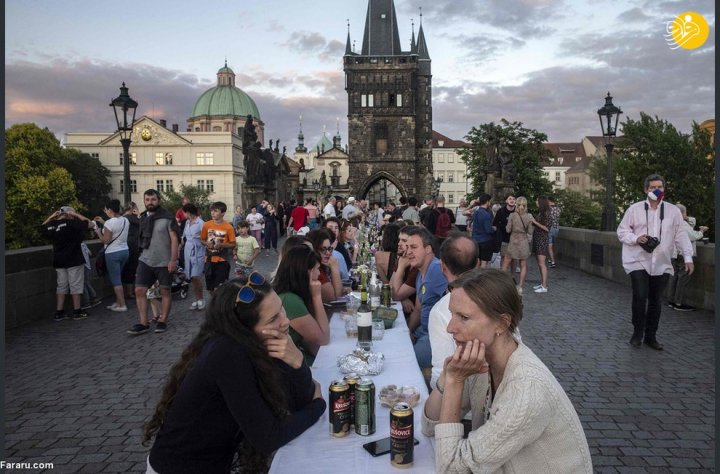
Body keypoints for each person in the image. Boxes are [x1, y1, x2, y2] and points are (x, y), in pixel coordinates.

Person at [144, 275, 326, 474]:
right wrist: (318, 407)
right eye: (273, 318)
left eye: (281, 308)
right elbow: (268, 437)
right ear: (245, 328)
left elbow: (298, 402)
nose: (285, 321)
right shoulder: (227, 353)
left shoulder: (257, 343)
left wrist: (297, 362)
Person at [422, 268, 593, 473]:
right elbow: (430, 425)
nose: (450, 327)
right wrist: (448, 377)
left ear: (502, 323)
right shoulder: (480, 363)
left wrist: (455, 382)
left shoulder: (527, 390)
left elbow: (451, 469)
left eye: (464, 317)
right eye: (452, 314)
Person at [617, 174, 693, 350]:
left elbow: (681, 235)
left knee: (655, 300)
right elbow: (621, 232)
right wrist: (637, 238)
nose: (657, 190)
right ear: (646, 189)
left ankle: (651, 336)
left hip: (661, 261)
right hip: (637, 259)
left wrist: (688, 257)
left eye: (660, 187)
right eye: (653, 187)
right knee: (640, 296)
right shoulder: (634, 209)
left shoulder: (673, 211)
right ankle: (637, 332)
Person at [428, 234, 478, 390]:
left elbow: (442, 369)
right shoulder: (495, 295)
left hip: (461, 398)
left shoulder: (441, 310)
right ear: (477, 264)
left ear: (443, 267)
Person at [127, 189, 179, 335]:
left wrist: (173, 260)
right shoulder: (143, 217)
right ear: (144, 201)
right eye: (147, 200)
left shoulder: (168, 218)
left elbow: (175, 239)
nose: (150, 202)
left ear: (159, 200)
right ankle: (143, 323)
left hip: (164, 260)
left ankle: (163, 320)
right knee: (139, 290)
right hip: (145, 259)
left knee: (165, 291)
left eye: (153, 200)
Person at [272, 245, 331, 365]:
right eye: (317, 269)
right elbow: (323, 339)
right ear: (307, 272)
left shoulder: (291, 294)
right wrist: (316, 297)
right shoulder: (289, 300)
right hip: (291, 365)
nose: (319, 273)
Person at [405, 226, 448, 373]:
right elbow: (418, 309)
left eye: (414, 247)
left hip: (435, 336)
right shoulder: (420, 273)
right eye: (407, 247)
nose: (408, 252)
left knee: (406, 359)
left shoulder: (437, 270)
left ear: (428, 249)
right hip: (422, 331)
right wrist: (408, 332)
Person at [40, 206, 93, 321]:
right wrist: (76, 214)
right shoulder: (72, 223)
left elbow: (42, 228)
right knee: (76, 286)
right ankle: (77, 311)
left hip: (59, 260)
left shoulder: (53, 225)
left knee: (61, 286)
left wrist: (51, 217)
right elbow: (90, 224)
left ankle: (59, 312)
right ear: (70, 214)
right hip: (74, 259)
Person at [667, 204, 708, 311]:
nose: (687, 215)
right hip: (683, 255)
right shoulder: (683, 224)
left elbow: (692, 222)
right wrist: (702, 231)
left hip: (673, 253)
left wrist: (684, 216)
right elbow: (694, 236)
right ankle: (679, 303)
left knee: (674, 277)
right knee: (683, 279)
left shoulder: (670, 222)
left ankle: (671, 300)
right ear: (682, 213)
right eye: (685, 212)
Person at [92, 199, 130, 311]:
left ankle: (122, 305)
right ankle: (118, 302)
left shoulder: (110, 223)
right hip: (125, 251)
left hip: (113, 253)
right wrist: (104, 222)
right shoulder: (125, 220)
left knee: (115, 280)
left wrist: (98, 231)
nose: (105, 212)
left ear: (110, 209)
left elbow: (106, 240)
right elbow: (116, 229)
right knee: (119, 277)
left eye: (106, 209)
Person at [201, 201, 237, 295]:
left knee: (220, 287)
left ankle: (219, 306)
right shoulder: (206, 225)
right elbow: (202, 240)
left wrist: (221, 245)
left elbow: (233, 244)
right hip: (209, 260)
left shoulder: (229, 227)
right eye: (212, 211)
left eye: (216, 211)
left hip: (222, 260)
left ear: (223, 213)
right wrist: (206, 243)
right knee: (210, 289)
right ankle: (214, 304)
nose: (212, 213)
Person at [504, 196, 534, 294]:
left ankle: (502, 284)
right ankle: (520, 286)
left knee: (506, 263)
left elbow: (508, 230)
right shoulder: (529, 216)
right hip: (524, 242)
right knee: (523, 265)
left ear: (516, 204)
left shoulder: (512, 215)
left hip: (514, 241)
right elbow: (530, 231)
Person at [389, 225, 419, 319]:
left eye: (404, 241)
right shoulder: (403, 258)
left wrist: (401, 267)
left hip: (414, 317)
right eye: (399, 240)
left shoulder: (417, 265)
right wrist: (404, 298)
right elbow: (390, 286)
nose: (399, 243)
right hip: (404, 312)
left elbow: (395, 295)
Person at [306, 229, 343, 302]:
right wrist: (334, 267)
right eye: (323, 249)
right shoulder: (315, 271)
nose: (328, 253)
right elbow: (337, 297)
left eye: (329, 249)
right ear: (314, 249)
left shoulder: (322, 266)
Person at [182, 203, 206, 310]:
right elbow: (184, 237)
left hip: (198, 251)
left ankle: (201, 298)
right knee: (191, 277)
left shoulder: (201, 223)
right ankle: (197, 299)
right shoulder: (187, 222)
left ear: (189, 212)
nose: (184, 214)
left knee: (196, 276)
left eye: (184, 212)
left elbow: (207, 238)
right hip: (188, 251)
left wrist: (200, 239)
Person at [530, 196, 551, 293]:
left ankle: (544, 286)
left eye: (537, 201)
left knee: (542, 263)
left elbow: (547, 229)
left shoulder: (546, 214)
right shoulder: (542, 213)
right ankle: (542, 283)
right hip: (538, 239)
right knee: (539, 263)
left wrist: (534, 222)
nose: (536, 202)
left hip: (542, 240)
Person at [121, 201, 140, 300]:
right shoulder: (131, 218)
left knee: (126, 269)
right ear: (131, 208)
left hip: (124, 244)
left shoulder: (122, 218)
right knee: (131, 269)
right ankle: (130, 292)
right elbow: (142, 225)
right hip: (132, 245)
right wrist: (137, 214)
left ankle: (127, 291)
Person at [492, 193, 516, 269]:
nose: (512, 200)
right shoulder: (501, 211)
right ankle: (503, 274)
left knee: (513, 259)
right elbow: (494, 224)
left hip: (515, 239)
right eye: (510, 199)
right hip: (504, 238)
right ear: (506, 201)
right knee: (503, 257)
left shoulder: (518, 211)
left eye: (513, 199)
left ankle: (512, 276)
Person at [470, 193, 494, 268]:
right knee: (484, 262)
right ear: (487, 202)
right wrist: (494, 229)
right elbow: (488, 230)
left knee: (477, 261)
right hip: (485, 241)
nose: (490, 203)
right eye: (490, 201)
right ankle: (481, 278)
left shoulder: (476, 212)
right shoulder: (486, 214)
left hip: (476, 239)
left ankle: (475, 276)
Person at [80, 242, 102, 310]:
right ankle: (94, 298)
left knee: (83, 284)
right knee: (86, 283)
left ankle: (87, 302)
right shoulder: (83, 244)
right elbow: (90, 253)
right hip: (87, 266)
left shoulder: (79, 245)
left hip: (83, 266)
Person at [547, 195, 561, 267]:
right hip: (556, 228)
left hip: (549, 228)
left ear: (549, 202)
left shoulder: (548, 210)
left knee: (549, 245)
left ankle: (553, 262)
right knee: (553, 245)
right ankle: (550, 259)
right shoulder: (558, 209)